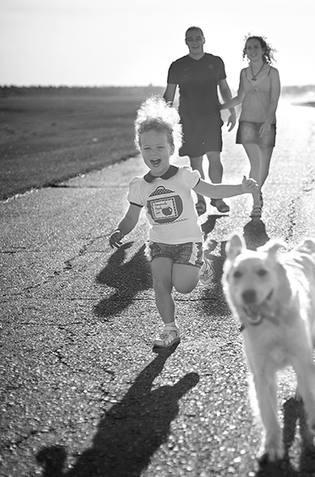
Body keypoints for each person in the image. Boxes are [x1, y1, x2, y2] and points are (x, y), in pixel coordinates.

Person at [109, 97, 259, 348]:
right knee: (160, 285)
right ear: (140, 149)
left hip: (188, 242)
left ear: (171, 148)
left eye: (160, 147)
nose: (153, 153)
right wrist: (120, 230)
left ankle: (200, 265)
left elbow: (213, 190)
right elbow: (131, 217)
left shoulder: (183, 176)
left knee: (184, 286)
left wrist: (241, 189)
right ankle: (170, 329)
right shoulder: (140, 186)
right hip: (159, 244)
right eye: (147, 148)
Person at [163, 26, 237, 215]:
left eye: (198, 38)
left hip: (211, 116)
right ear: (186, 42)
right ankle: (201, 200)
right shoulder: (177, 65)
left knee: (214, 157)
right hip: (189, 119)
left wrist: (231, 109)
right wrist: (163, 118)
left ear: (204, 39)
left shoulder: (215, 62)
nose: (195, 42)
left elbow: (224, 88)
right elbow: (169, 95)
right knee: (196, 161)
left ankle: (217, 197)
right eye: (191, 39)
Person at [220, 35, 281, 218]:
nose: (252, 51)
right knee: (256, 162)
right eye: (249, 48)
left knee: (264, 167)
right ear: (245, 51)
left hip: (267, 123)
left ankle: (257, 192)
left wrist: (267, 122)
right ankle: (256, 203)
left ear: (263, 50)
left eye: (255, 47)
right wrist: (220, 107)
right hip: (247, 121)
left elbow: (274, 100)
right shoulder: (244, 73)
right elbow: (239, 97)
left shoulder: (272, 73)